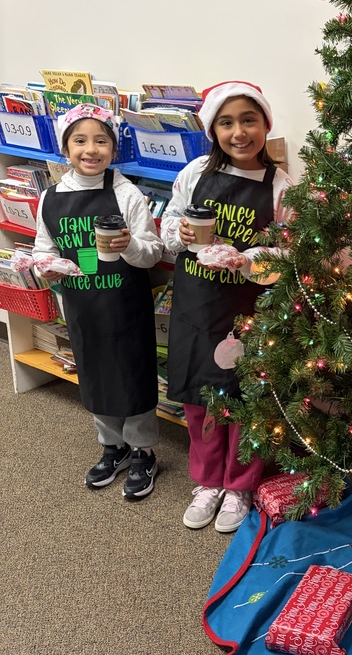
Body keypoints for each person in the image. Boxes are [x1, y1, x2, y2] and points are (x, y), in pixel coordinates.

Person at [161, 81, 293, 533]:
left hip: (247, 316)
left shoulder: (281, 187)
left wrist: (251, 259)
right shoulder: (194, 171)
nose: (239, 132)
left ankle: (238, 486)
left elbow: (290, 255)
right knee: (201, 401)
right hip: (196, 309)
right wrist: (174, 232)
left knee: (241, 401)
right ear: (213, 130)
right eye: (227, 122)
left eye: (249, 120)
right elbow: (169, 222)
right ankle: (207, 482)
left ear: (265, 125)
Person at [33, 103, 163, 499]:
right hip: (82, 309)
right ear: (65, 149)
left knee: (133, 375)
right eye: (80, 140)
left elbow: (152, 252)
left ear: (114, 148)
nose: (91, 149)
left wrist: (129, 245)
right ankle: (113, 446)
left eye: (101, 140)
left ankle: (143, 451)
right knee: (94, 376)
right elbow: (43, 249)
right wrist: (46, 269)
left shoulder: (127, 194)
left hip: (125, 307)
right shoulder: (50, 198)